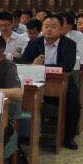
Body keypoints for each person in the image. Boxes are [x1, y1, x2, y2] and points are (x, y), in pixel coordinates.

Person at [20, 14, 80, 149]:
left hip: (62, 81)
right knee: (21, 97)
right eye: (46, 26)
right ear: (42, 28)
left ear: (61, 29)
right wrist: (32, 64)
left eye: (53, 26)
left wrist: (42, 67)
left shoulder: (69, 44)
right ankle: (25, 134)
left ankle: (68, 138)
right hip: (37, 80)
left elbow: (67, 66)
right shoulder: (34, 43)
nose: (49, 29)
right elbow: (24, 62)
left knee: (73, 103)